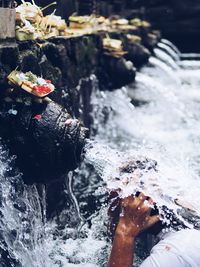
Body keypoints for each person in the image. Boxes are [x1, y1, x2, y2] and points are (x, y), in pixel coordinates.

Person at [107, 192, 200, 267]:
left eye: (118, 193)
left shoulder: (179, 251)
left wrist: (126, 232)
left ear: (142, 203)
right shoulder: (155, 227)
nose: (109, 208)